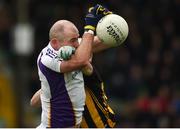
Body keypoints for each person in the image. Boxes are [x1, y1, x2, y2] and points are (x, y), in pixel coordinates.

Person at [35, 4, 112, 128]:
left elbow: (102, 41)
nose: (77, 44)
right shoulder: (47, 59)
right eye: (73, 40)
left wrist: (111, 24)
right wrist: (90, 28)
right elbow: (82, 60)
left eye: (78, 39)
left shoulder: (71, 47)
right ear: (55, 43)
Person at [31, 64, 116, 128]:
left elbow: (84, 64)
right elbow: (34, 102)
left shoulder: (91, 78)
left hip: (102, 125)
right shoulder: (60, 84)